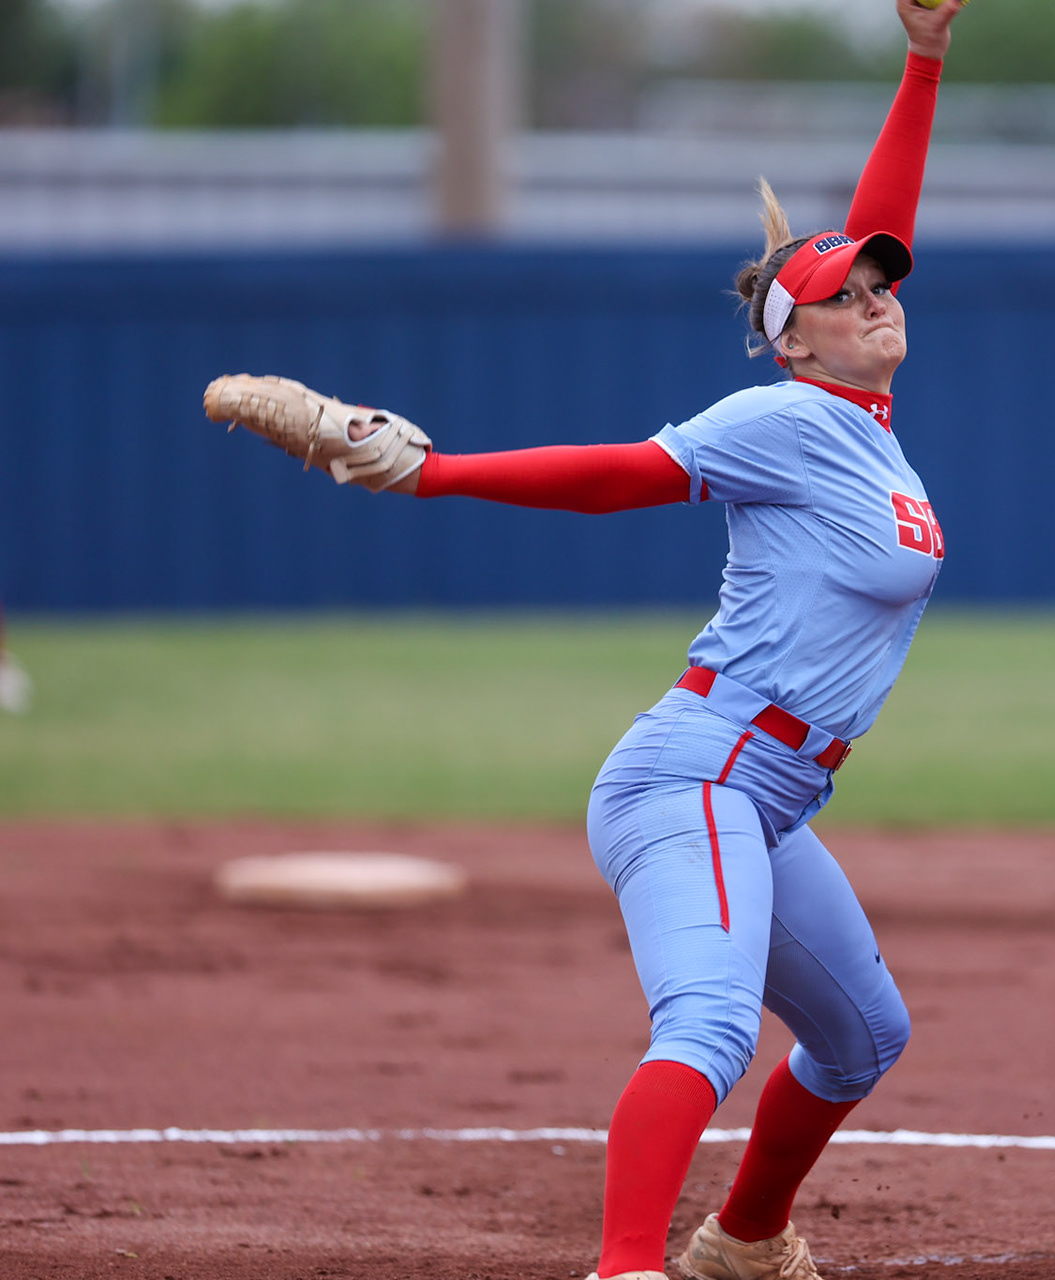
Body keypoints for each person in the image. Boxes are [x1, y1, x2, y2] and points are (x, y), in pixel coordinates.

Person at [206, 3, 966, 1277]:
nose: (878, 299)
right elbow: (616, 473)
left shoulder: (866, 424)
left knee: (864, 1038)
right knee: (711, 1024)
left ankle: (746, 1240)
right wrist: (433, 474)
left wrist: (926, 55)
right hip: (703, 771)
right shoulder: (781, 418)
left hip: (768, 793)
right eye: (847, 295)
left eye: (882, 283)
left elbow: (885, 217)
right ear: (795, 341)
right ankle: (624, 1268)